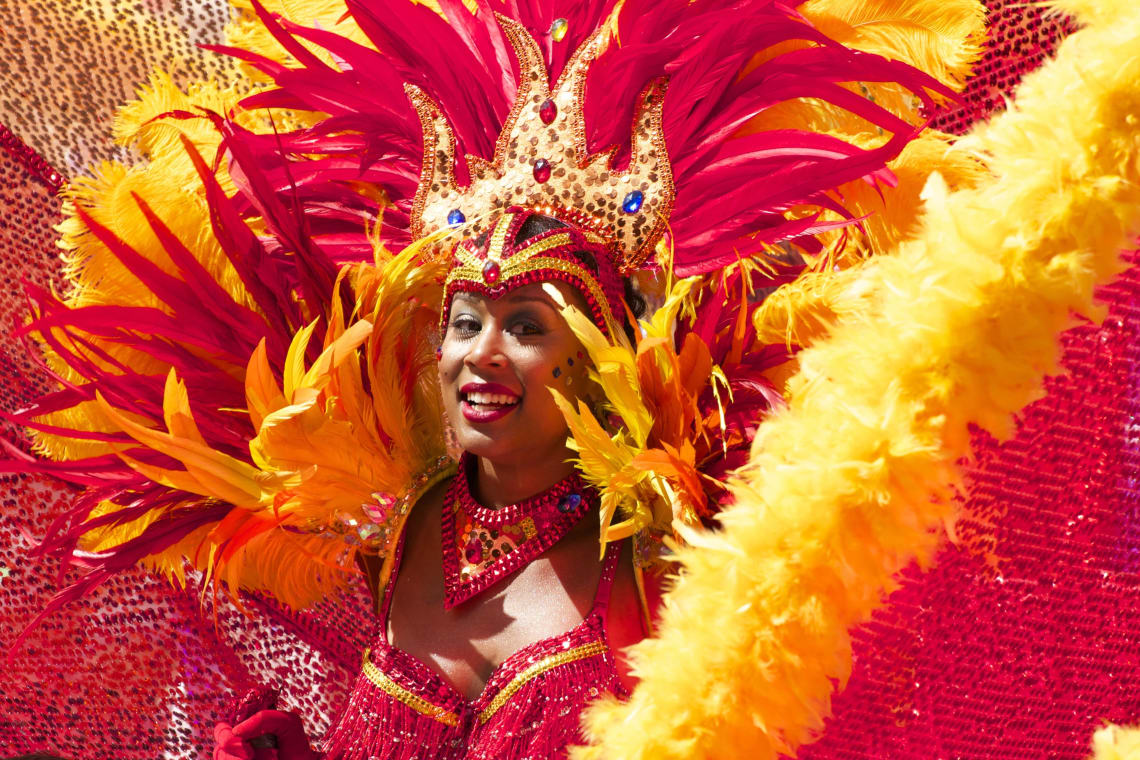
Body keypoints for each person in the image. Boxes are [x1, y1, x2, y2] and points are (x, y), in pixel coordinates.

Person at [9, 1, 997, 757]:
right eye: (466, 321)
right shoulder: (414, 521)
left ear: (595, 357)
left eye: (525, 325)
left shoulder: (658, 563)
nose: (480, 353)